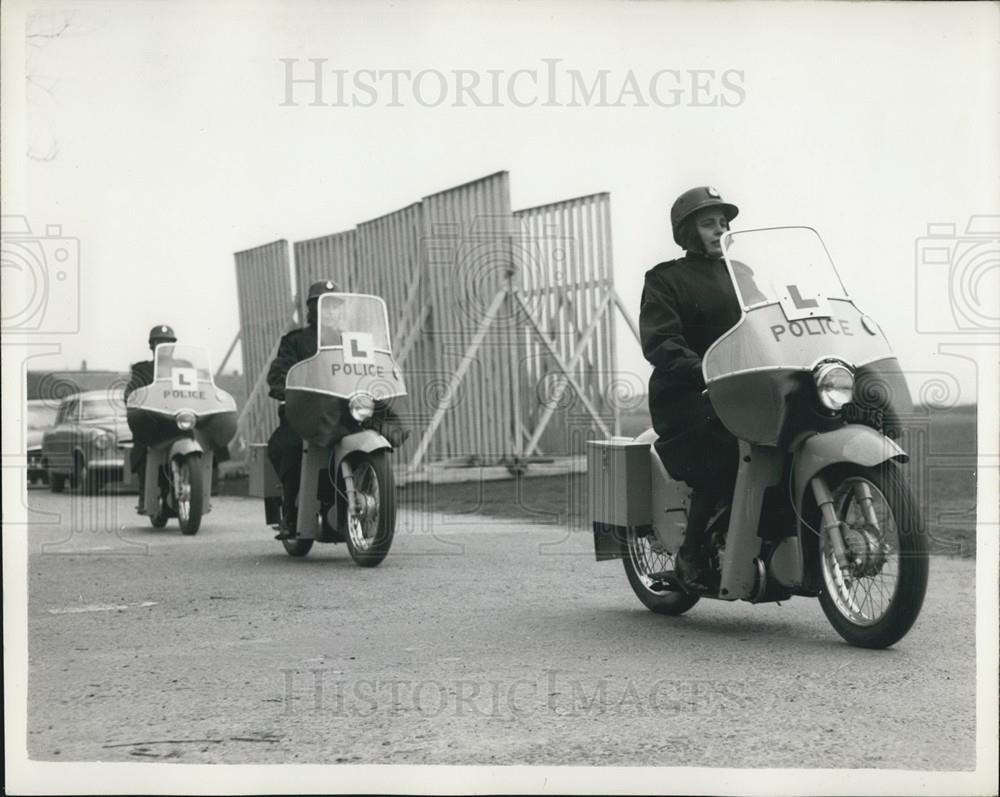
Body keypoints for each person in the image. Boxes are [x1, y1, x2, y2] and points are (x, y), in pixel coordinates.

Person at [639, 186, 765, 589]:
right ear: (688, 231)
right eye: (709, 223)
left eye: (724, 223)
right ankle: (691, 551)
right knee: (725, 444)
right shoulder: (666, 279)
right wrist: (701, 371)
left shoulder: (742, 274)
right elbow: (661, 341)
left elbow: (765, 323)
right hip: (687, 395)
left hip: (742, 389)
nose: (719, 230)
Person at [266, 280, 337, 538]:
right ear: (312, 309)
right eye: (325, 306)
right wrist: (284, 387)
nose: (331, 312)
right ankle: (291, 513)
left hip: (342, 411)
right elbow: (279, 370)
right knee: (291, 445)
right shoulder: (296, 341)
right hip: (306, 413)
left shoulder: (350, 341)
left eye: (335, 307)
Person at [124, 324, 178, 510]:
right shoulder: (143, 370)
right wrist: (133, 399)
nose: (164, 346)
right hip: (154, 421)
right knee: (142, 444)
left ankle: (206, 484)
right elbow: (131, 392)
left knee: (205, 437)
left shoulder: (184, 368)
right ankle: (144, 494)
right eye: (159, 342)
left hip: (179, 420)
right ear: (152, 346)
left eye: (168, 343)